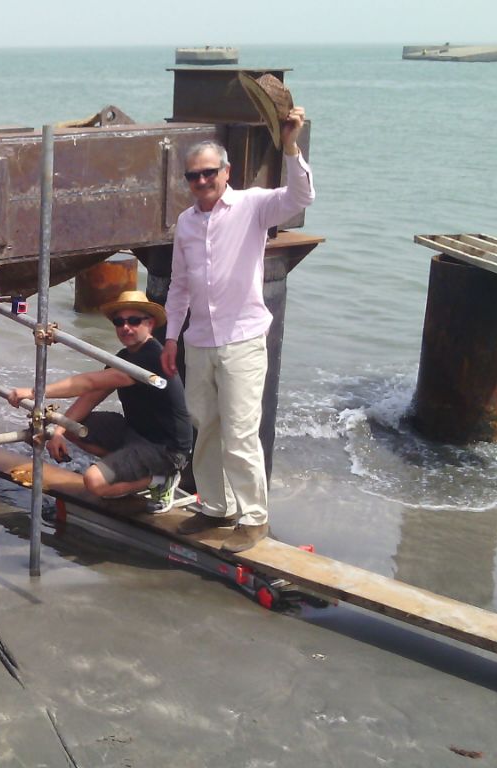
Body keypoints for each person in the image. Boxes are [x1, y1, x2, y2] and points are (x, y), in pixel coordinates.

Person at [161, 106, 315, 552]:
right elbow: (179, 285)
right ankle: (216, 507)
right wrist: (170, 337)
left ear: (226, 172)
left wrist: (291, 146)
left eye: (209, 172)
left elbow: (301, 196)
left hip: (243, 339)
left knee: (241, 431)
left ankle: (254, 518)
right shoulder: (186, 223)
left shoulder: (253, 205)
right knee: (205, 427)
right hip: (199, 341)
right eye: (193, 176)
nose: (202, 181)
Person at [8, 290, 192, 512]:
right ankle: (128, 471)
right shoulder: (124, 357)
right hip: (136, 433)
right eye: (119, 322)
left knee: (93, 482)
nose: (126, 327)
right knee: (73, 427)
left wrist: (34, 392)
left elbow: (88, 382)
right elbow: (91, 396)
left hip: (166, 448)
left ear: (150, 324)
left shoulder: (152, 357)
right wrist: (59, 432)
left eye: (134, 321)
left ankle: (161, 479)